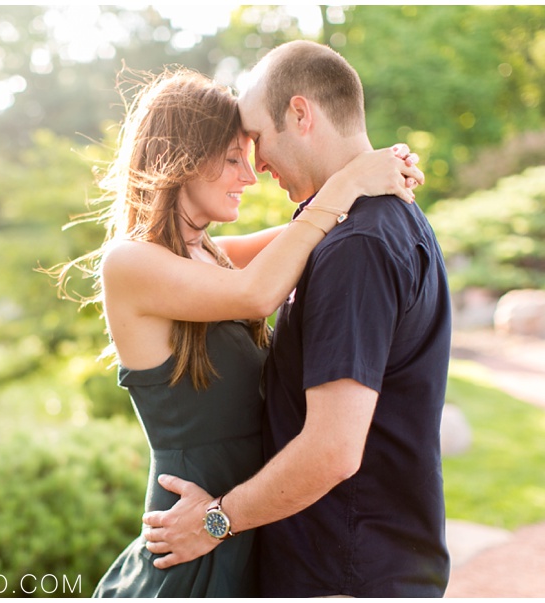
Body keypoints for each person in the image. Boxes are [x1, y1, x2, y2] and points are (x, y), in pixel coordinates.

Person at [59, 67, 423, 598]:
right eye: (233, 159)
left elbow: (312, 232)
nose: (249, 177)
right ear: (177, 159)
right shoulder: (131, 263)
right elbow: (259, 292)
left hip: (241, 522)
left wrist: (373, 178)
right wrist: (347, 183)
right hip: (192, 536)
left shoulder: (211, 254)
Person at [142, 41, 453, 597]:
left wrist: (216, 520)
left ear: (301, 114)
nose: (255, 167)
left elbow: (332, 450)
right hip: (352, 563)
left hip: (345, 572)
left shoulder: (357, 245)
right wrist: (351, 181)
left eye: (255, 141)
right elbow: (245, 267)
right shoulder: (357, 224)